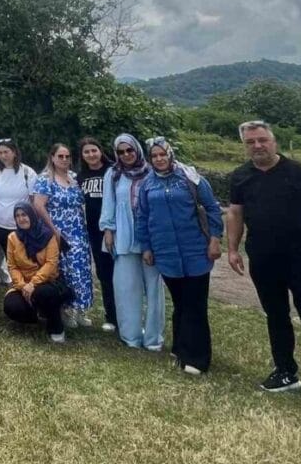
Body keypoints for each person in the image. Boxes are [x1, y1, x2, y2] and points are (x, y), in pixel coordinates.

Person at [226, 120, 301, 412]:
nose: (257, 146)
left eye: (262, 140)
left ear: (274, 141)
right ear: (245, 145)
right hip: (263, 259)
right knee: (276, 315)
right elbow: (234, 214)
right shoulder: (240, 177)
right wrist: (232, 249)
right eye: (250, 142)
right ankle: (285, 372)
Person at [135, 137, 223, 376]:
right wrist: (146, 247)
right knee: (180, 303)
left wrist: (215, 238)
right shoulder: (147, 184)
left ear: (170, 154)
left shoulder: (190, 178)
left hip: (195, 250)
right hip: (165, 252)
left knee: (195, 303)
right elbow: (142, 217)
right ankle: (181, 348)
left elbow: (213, 207)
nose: (159, 159)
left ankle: (198, 358)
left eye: (163, 155)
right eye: (154, 156)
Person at [99, 134, 164, 349]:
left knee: (154, 290)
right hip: (124, 236)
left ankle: (154, 338)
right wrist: (108, 230)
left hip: (150, 236)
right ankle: (131, 336)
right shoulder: (114, 174)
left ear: (137, 149)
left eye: (130, 150)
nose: (126, 155)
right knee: (125, 289)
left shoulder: (153, 171)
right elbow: (109, 202)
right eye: (121, 152)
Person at [33, 143, 94, 329]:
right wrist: (54, 230)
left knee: (81, 270)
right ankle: (65, 310)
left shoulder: (75, 178)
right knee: (64, 270)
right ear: (52, 157)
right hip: (58, 232)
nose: (64, 160)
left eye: (67, 156)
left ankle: (80, 309)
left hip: (79, 231)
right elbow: (38, 205)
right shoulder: (45, 179)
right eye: (60, 156)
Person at [3, 202, 68, 343]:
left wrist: (33, 284)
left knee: (43, 293)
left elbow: (51, 263)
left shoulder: (48, 235)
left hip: (47, 281)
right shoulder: (13, 238)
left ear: (32, 215)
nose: (21, 219)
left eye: (24, 214)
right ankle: (38, 315)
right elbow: (12, 266)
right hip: (23, 285)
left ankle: (56, 326)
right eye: (17, 216)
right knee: (11, 307)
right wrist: (22, 285)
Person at [78, 136, 118, 333]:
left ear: (100, 151)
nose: (91, 154)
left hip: (117, 230)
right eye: (86, 152)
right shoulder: (81, 176)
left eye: (94, 150)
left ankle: (128, 316)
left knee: (124, 274)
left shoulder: (113, 171)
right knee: (104, 274)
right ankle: (111, 316)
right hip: (94, 231)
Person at [0, 140, 37, 284]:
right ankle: (17, 285)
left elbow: (34, 200)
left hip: (22, 226)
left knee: (25, 259)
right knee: (11, 260)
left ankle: (30, 284)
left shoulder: (28, 172)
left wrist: (34, 223)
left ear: (14, 153)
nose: (3, 156)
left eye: (6, 152)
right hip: (1, 225)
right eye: (0, 153)